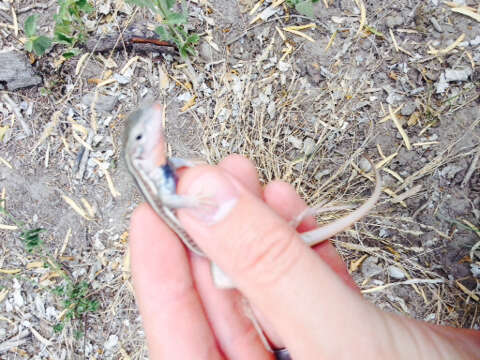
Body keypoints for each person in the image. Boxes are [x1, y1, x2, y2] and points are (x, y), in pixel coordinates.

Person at [129, 155, 480, 359]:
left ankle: (290, 231)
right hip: (214, 256)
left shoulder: (158, 175)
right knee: (227, 273)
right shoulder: (155, 183)